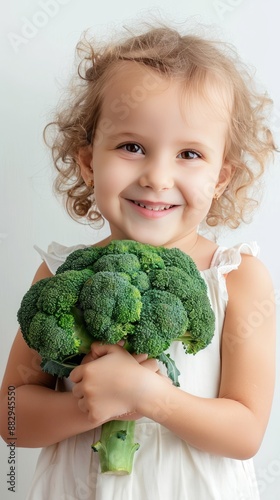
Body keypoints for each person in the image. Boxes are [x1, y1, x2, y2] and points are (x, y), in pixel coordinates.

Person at [0, 23, 277, 500]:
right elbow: (10, 415)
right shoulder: (59, 275)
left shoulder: (238, 277)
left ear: (220, 178)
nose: (158, 176)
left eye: (190, 153)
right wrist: (87, 407)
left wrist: (150, 397)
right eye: (132, 147)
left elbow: (246, 432)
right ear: (88, 163)